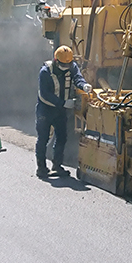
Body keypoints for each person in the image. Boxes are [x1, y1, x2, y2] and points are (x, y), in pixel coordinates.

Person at [35, 45, 90, 178]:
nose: (66, 68)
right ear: (56, 60)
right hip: (46, 109)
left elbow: (77, 77)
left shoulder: (71, 66)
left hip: (60, 111)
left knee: (62, 137)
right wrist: (63, 103)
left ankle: (57, 165)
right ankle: (41, 168)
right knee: (43, 138)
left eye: (68, 65)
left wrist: (83, 85)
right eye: (63, 65)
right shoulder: (45, 72)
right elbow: (45, 94)